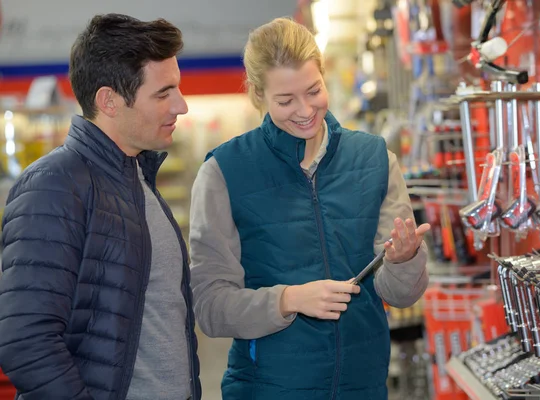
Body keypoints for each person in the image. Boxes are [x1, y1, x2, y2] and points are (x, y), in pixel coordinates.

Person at [189, 17, 429, 400]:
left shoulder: (374, 159)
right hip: (267, 389)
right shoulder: (224, 172)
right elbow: (210, 306)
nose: (304, 110)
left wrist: (403, 260)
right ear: (257, 95)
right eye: (285, 100)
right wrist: (288, 300)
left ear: (323, 73)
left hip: (362, 387)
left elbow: (401, 295)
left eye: (313, 90)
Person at [0, 13, 201, 400]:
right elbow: (26, 339)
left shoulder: (139, 178)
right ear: (109, 100)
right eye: (163, 93)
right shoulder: (55, 186)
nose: (182, 105)